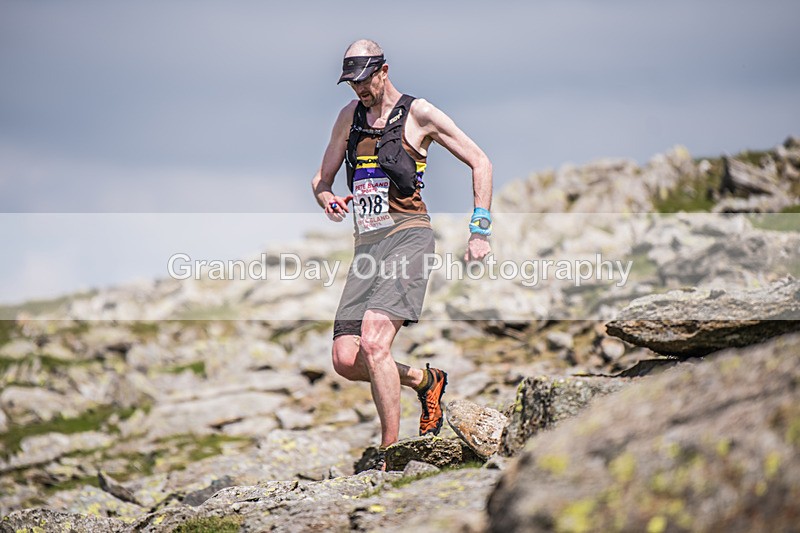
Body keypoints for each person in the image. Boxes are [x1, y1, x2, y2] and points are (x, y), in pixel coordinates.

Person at [310, 39, 493, 467]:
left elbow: (481, 161)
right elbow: (321, 178)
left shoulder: (419, 113)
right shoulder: (348, 118)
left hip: (409, 237)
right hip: (367, 247)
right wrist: (326, 197)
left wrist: (479, 230)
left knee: (374, 343)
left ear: (383, 70)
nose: (358, 89)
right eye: (350, 82)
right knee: (345, 359)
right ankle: (426, 380)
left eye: (363, 80)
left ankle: (389, 453)